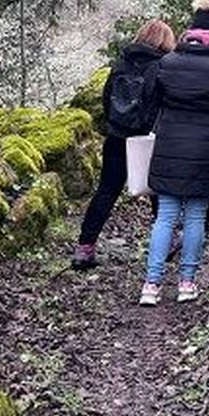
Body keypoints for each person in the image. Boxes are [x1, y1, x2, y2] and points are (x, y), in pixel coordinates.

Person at [138, 21, 209, 305]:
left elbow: (151, 100)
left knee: (165, 216)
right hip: (207, 148)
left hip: (169, 145)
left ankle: (151, 284)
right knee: (196, 216)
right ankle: (187, 283)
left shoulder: (166, 63)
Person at [72, 19, 176, 270]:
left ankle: (84, 249)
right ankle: (166, 244)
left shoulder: (121, 63)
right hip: (148, 138)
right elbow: (165, 103)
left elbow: (107, 99)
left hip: (117, 136)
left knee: (106, 191)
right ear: (165, 41)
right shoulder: (163, 66)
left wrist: (116, 125)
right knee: (157, 190)